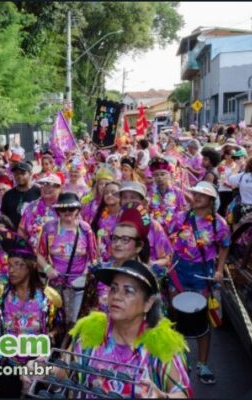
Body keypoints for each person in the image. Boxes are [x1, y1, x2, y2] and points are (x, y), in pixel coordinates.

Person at [24, 260, 192, 398]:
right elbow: (65, 372)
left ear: (148, 304)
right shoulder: (91, 332)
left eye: (128, 291)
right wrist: (41, 370)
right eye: (114, 288)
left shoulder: (162, 344)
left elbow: (182, 393)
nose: (117, 296)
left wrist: (162, 396)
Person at [0, 232, 64, 398]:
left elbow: (59, 328)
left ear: (30, 266)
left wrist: (50, 336)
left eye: (17, 265)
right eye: (10, 265)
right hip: (7, 365)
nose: (12, 270)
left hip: (36, 365)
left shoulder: (47, 298)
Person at [167, 181, 230, 385]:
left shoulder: (218, 224)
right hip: (179, 271)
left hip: (202, 274)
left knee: (201, 320)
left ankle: (203, 364)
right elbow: (165, 235)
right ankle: (179, 359)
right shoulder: (180, 217)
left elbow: (225, 245)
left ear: (211, 200)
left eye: (202, 195)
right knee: (177, 317)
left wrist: (219, 269)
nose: (196, 197)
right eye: (195, 194)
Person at [38, 192, 97, 326]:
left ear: (78, 210)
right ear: (58, 210)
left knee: (75, 322)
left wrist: (86, 274)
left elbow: (93, 256)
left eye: (71, 209)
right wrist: (47, 268)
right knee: (55, 321)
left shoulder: (85, 229)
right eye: (63, 209)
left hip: (79, 285)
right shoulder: (49, 228)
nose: (67, 212)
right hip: (56, 283)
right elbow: (39, 254)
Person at [18, 174, 62, 249]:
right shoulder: (31, 207)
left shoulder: (65, 207)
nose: (46, 188)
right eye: (43, 184)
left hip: (58, 254)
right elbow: (21, 230)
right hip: (33, 254)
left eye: (51, 185)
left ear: (59, 188)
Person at [148, 157, 187, 232]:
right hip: (157, 228)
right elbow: (150, 210)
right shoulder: (151, 192)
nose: (159, 177)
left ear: (169, 175)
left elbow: (183, 211)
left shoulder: (177, 192)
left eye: (162, 174)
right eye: (156, 175)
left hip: (174, 227)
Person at [0, 161, 40, 229]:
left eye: (23, 173)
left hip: (34, 234)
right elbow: (4, 216)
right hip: (13, 235)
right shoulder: (8, 195)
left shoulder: (38, 191)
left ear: (30, 174)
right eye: (16, 174)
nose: (19, 176)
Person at [91, 181, 122, 262]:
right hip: (103, 261)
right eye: (106, 193)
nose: (109, 195)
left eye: (113, 192)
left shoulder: (126, 215)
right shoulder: (99, 216)